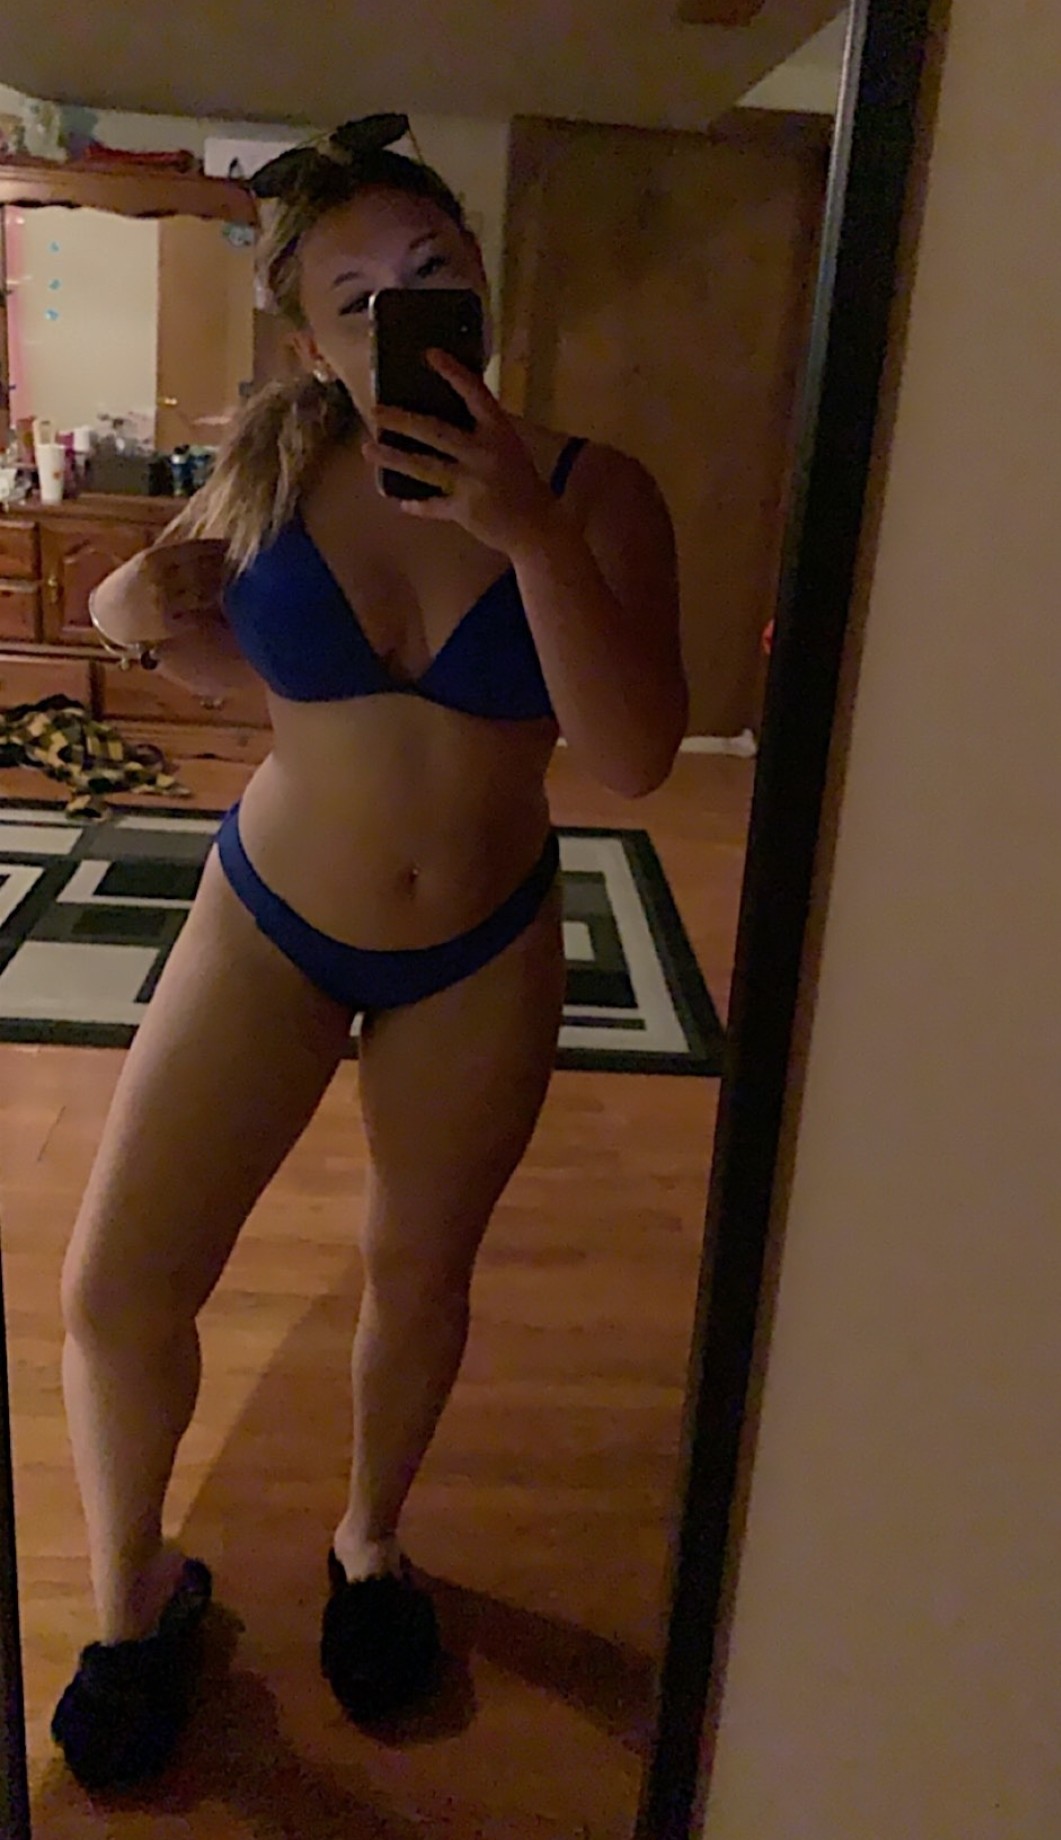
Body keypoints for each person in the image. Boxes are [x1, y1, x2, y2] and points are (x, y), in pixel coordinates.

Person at [51, 114, 687, 1791]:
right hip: (268, 915)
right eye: (357, 299)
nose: (403, 311)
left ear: (480, 286)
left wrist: (528, 535)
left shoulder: (595, 491)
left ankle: (368, 1544)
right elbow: (224, 660)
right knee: (116, 1288)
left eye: (432, 273)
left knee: (418, 1271)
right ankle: (133, 1599)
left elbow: (632, 757)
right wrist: (127, 614)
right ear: (312, 345)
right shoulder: (272, 468)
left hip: (478, 943)